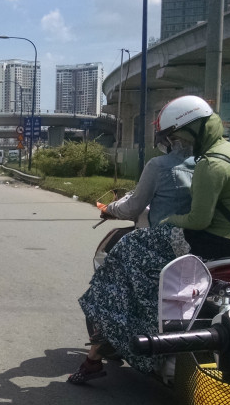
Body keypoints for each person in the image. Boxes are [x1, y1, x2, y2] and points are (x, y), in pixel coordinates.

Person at [69, 128, 195, 385]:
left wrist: (110, 208)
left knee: (109, 288)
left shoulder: (160, 165)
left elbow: (135, 206)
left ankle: (93, 359)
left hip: (164, 245)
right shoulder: (212, 163)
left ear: (169, 139)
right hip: (207, 245)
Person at [155, 95, 230, 260]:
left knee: (133, 244)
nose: (175, 144)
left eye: (175, 137)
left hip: (220, 242)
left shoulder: (210, 164)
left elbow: (198, 221)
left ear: (194, 129)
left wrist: (168, 220)